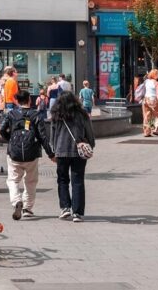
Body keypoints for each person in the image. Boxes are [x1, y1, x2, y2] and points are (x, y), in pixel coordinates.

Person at [0, 90, 54, 220]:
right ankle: (27, 208)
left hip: (14, 153)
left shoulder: (11, 114)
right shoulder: (36, 115)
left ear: (17, 101)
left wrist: (9, 139)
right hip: (31, 153)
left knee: (13, 179)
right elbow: (43, 137)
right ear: (29, 100)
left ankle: (16, 201)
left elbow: (1, 129)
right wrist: (51, 154)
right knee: (31, 181)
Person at [50, 91, 95, 222]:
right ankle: (77, 213)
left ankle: (65, 208)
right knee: (78, 181)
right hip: (78, 152)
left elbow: (53, 135)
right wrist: (90, 145)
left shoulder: (56, 115)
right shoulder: (82, 114)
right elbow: (89, 132)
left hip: (61, 151)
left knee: (62, 180)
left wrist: (53, 151)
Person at [141, 69, 158, 137]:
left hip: (145, 99)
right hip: (153, 100)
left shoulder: (146, 82)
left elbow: (145, 78)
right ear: (156, 75)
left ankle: (146, 132)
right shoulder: (157, 83)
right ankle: (155, 130)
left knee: (147, 116)